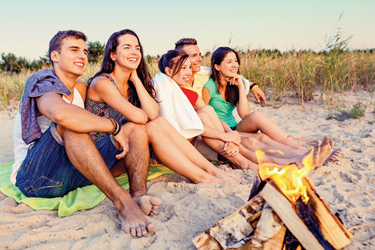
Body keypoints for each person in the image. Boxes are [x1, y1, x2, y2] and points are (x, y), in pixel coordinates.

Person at [12, 30, 159, 238]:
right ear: (55, 56)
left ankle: (138, 196)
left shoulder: (80, 89)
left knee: (136, 129)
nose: (82, 56)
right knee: (72, 125)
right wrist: (114, 127)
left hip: (74, 171)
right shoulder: (43, 80)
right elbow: (61, 114)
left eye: (85, 51)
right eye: (74, 50)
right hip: (37, 178)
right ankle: (124, 203)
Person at [86, 29, 228, 185]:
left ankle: (210, 169)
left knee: (158, 123)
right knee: (152, 126)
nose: (134, 52)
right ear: (113, 55)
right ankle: (200, 176)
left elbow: (153, 114)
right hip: (103, 156)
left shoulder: (132, 82)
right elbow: (140, 117)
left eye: (137, 48)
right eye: (127, 47)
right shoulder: (103, 83)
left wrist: (136, 79)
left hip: (127, 150)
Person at [155, 50, 334, 170]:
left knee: (256, 138)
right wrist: (227, 136)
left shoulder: (192, 92)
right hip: (201, 140)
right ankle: (291, 162)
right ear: (169, 71)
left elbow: (232, 116)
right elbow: (197, 125)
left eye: (189, 66)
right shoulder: (171, 92)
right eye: (183, 67)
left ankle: (302, 154)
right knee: (251, 143)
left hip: (218, 132)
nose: (189, 71)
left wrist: (229, 134)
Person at [202, 47, 341, 166]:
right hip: (221, 130)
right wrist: (225, 134)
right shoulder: (209, 87)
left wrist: (240, 86)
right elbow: (204, 114)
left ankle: (306, 152)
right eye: (229, 62)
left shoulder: (236, 83)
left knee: (256, 116)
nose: (234, 65)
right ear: (217, 66)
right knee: (262, 139)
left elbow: (244, 114)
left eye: (236, 61)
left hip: (235, 126)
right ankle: (306, 157)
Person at [174, 38, 266, 105]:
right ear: (180, 59)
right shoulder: (173, 84)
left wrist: (253, 86)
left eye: (200, 55)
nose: (200, 59)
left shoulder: (205, 76)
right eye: (194, 55)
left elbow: (227, 75)